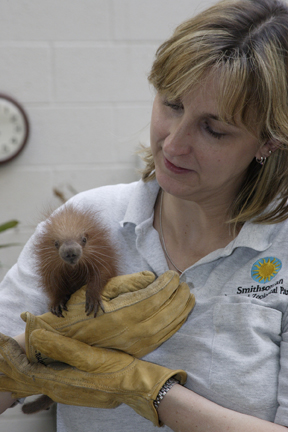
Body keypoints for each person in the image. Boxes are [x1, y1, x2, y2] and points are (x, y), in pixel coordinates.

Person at [1, 0, 288, 430]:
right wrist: (42, 340)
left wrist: (148, 389)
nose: (173, 144)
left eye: (213, 129)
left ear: (268, 141)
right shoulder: (85, 221)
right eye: (172, 104)